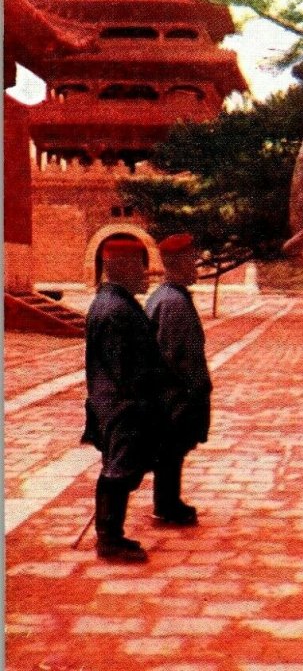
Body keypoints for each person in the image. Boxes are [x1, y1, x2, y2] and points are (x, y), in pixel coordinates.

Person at [82, 239, 165, 563]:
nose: (146, 275)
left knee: (120, 467)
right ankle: (109, 540)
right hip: (122, 404)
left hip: (118, 402)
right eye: (140, 267)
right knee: (119, 469)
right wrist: (146, 397)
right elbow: (123, 367)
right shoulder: (114, 308)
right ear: (123, 268)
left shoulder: (114, 302)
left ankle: (111, 534)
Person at [145, 233, 211, 526]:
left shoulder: (166, 296)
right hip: (175, 393)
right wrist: (192, 390)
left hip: (170, 391)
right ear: (178, 263)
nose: (196, 267)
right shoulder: (173, 303)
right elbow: (176, 354)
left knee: (174, 449)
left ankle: (169, 500)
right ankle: (167, 505)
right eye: (191, 261)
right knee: (171, 448)